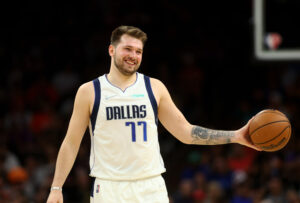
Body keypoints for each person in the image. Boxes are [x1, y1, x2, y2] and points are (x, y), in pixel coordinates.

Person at [46, 25, 260, 203]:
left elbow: (186, 132)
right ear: (111, 50)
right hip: (108, 187)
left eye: (138, 51)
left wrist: (236, 136)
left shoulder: (154, 87)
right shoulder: (89, 91)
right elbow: (71, 143)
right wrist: (57, 187)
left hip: (151, 186)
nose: (133, 56)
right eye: (127, 49)